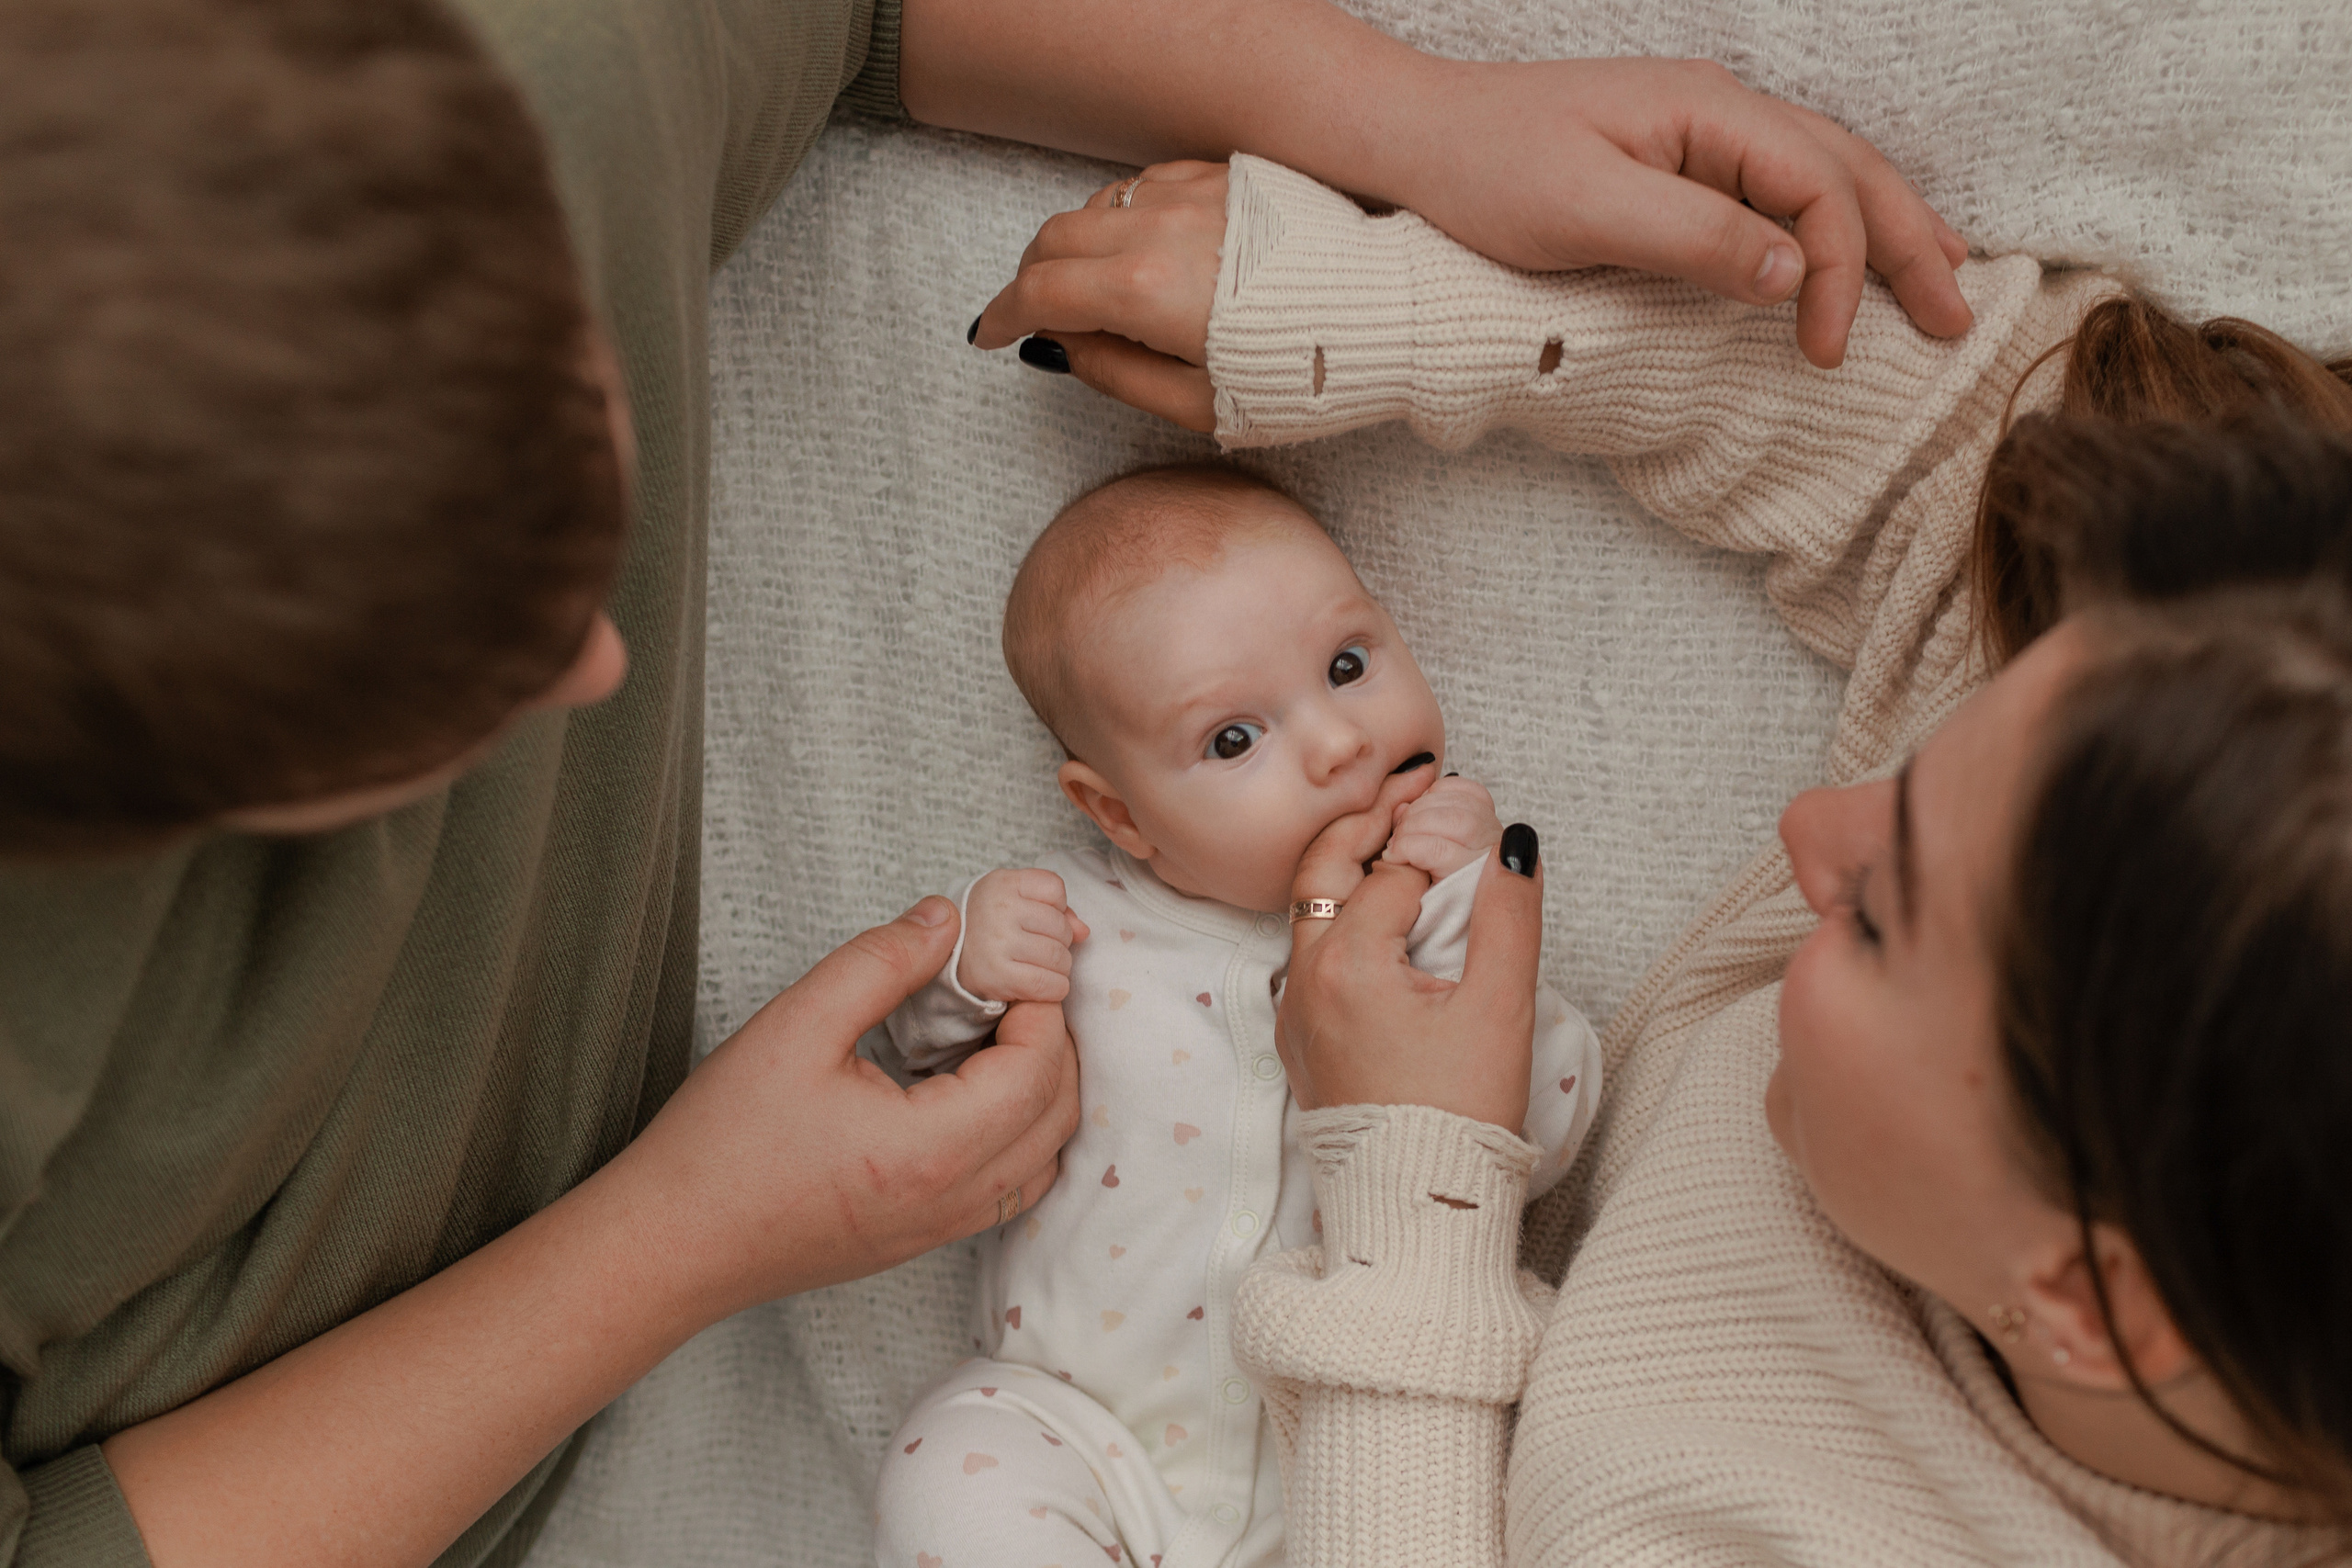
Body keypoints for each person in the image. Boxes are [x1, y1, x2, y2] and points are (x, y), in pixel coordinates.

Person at [0, 3, 1980, 1565]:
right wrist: (694, 1224)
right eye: (460, 672)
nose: (605, 664)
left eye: (597, 470)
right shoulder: (1103, 916)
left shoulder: (497, 78)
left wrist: (1405, 123)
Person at [973, 154, 2352, 1562]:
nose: (1810, 828)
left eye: (1877, 913)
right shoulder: (2246, 718)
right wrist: (1368, 305)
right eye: (1936, 757)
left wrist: (1415, 1170)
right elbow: (1985, 420)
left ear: (2076, 1291)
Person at [867, 467, 1598, 1568]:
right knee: (949, 1468)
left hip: (1339, 1462)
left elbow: (1547, 1130)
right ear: (1121, 814)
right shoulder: (1076, 928)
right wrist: (962, 976)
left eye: (1348, 667)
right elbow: (910, 1081)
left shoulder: (1441, 934)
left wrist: (1461, 925)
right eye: (1232, 740)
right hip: (1074, 1432)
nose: (1338, 745)